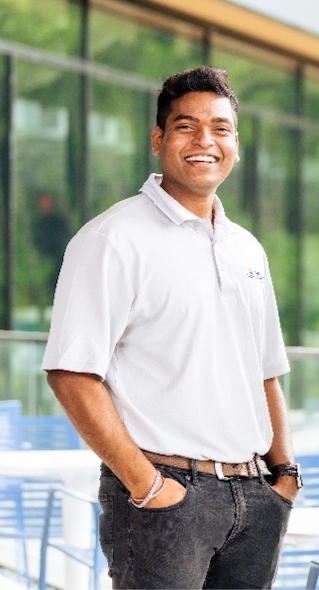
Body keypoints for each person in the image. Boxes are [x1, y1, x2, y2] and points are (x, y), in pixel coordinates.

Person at [42, 66, 301, 590]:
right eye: (186, 127)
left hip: (254, 497)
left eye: (221, 129)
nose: (205, 140)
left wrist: (284, 475)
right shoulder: (113, 239)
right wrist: (148, 485)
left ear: (235, 143)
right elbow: (71, 374)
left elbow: (266, 371)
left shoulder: (246, 247)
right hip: (165, 497)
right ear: (158, 140)